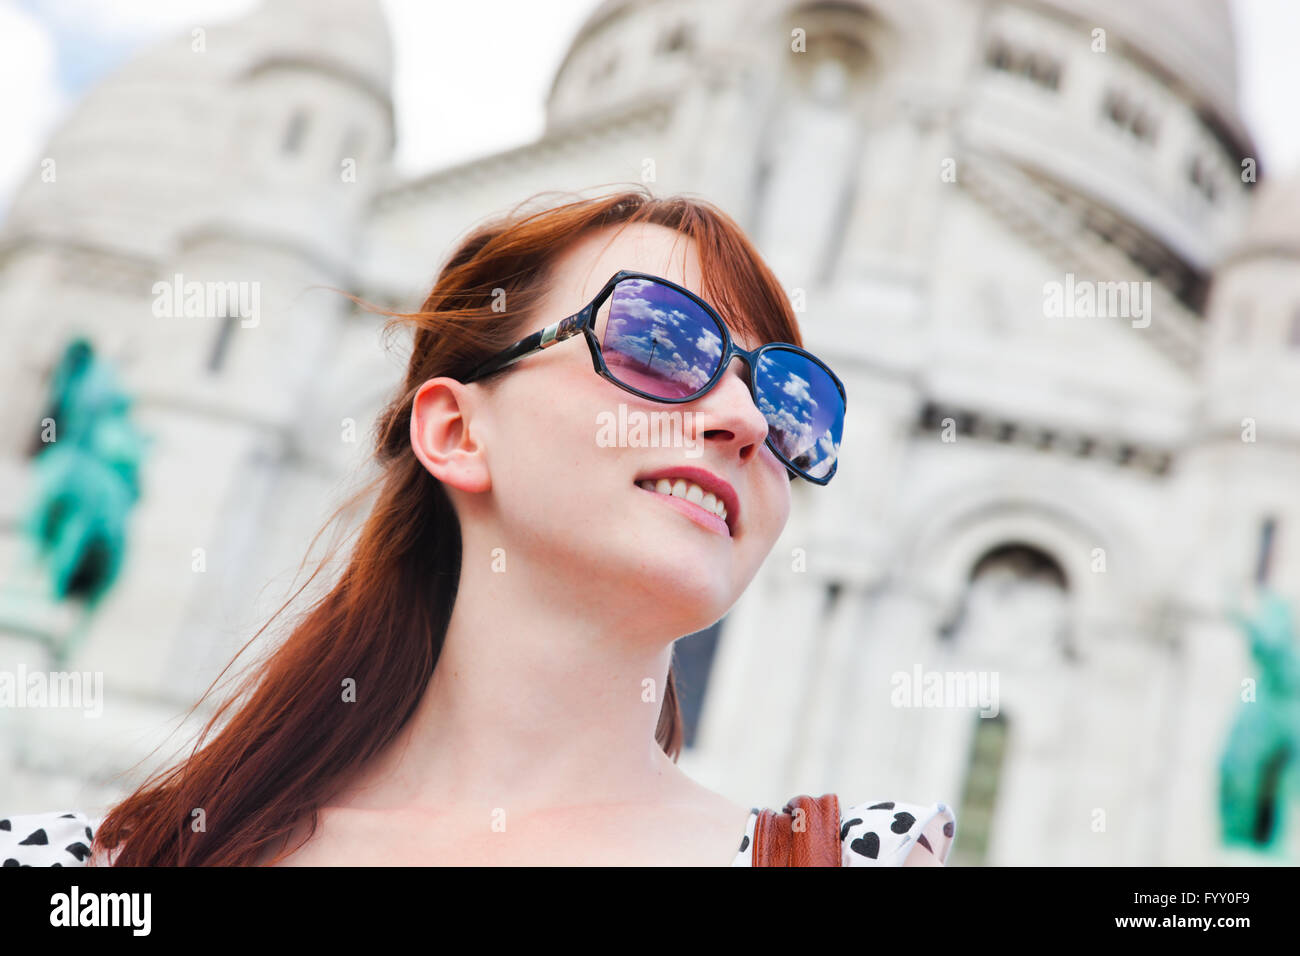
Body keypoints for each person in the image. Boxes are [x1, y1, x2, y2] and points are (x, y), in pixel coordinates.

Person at [2, 187, 954, 866]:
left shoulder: (858, 860)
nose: (745, 422)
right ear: (456, 431)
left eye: (789, 405)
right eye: (661, 345)